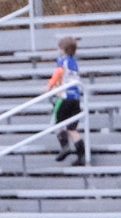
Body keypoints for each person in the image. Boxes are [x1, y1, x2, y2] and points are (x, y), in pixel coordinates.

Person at [46, 35, 85, 165]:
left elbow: (58, 74)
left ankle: (65, 147)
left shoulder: (63, 61)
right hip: (76, 98)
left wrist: (50, 86)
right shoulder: (74, 62)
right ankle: (81, 157)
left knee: (57, 123)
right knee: (72, 129)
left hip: (65, 97)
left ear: (63, 49)